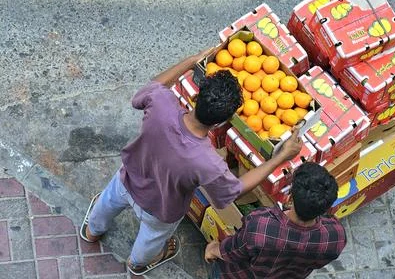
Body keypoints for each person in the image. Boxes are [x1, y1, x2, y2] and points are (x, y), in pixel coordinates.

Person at [79, 48, 303, 276]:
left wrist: (191, 61)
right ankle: (137, 263)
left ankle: (92, 231)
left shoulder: (161, 103)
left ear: (195, 96)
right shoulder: (208, 162)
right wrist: (280, 158)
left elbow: (153, 86)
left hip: (127, 179)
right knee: (151, 240)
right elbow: (234, 191)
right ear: (220, 123)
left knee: (106, 204)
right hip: (161, 210)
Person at [205, 162, 347, 279]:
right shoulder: (336, 236)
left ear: (290, 197)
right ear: (326, 207)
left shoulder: (260, 225)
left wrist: (212, 249)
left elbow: (233, 252)